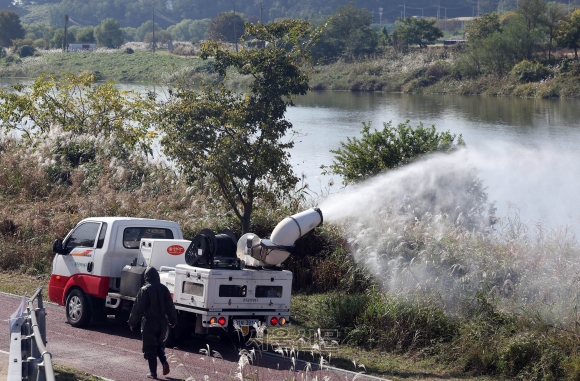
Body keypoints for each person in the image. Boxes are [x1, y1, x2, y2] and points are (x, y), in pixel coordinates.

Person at [128, 267, 177, 379]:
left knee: (150, 347)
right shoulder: (164, 289)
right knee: (159, 343)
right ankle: (164, 362)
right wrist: (173, 320)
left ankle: (153, 373)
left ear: (146, 277)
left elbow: (138, 308)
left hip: (149, 322)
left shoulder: (144, 290)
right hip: (162, 322)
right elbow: (170, 306)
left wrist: (132, 322)